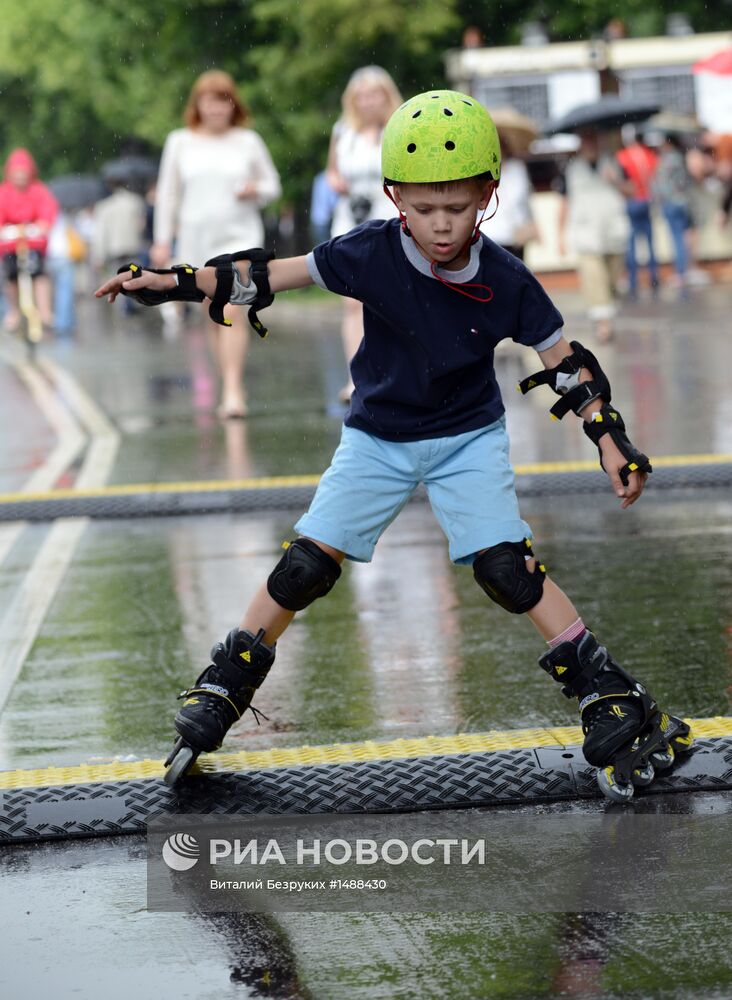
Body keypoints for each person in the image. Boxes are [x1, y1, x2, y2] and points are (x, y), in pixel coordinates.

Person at [97, 90, 691, 801]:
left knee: (507, 569)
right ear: (394, 197)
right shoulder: (371, 252)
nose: (441, 225)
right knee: (306, 566)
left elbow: (566, 364)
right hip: (377, 436)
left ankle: (609, 692)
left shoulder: (506, 278)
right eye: (423, 208)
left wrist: (609, 438)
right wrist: (172, 282)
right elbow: (264, 276)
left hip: (467, 437)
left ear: (488, 195)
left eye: (458, 208)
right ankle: (227, 681)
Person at [152, 69, 281, 417]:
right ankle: (227, 380)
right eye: (209, 101)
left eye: (223, 101)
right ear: (197, 105)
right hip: (197, 240)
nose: (216, 108)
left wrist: (256, 190)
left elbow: (272, 185)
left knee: (234, 308)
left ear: (233, 105)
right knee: (213, 313)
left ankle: (234, 389)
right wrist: (162, 240)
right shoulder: (180, 142)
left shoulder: (247, 141)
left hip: (240, 238)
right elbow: (168, 195)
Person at [326, 66, 403, 401]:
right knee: (352, 303)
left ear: (386, 96)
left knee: (391, 301)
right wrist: (337, 183)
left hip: (389, 219)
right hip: (350, 222)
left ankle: (394, 373)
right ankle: (356, 377)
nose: (368, 102)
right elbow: (331, 171)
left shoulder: (400, 129)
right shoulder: (343, 131)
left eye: (374, 95)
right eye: (361, 96)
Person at [558, 130, 629, 343]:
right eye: (586, 140)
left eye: (594, 140)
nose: (591, 144)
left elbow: (633, 191)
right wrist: (560, 235)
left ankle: (606, 312)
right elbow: (564, 202)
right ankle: (603, 324)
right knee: (593, 278)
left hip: (613, 231)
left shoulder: (614, 163)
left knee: (611, 282)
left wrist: (616, 181)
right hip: (586, 233)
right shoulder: (571, 169)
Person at [0, 148, 58, 332]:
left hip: (32, 243)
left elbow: (48, 211)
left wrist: (42, 226)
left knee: (40, 274)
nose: (20, 178)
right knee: (10, 277)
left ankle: (45, 311)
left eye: (23, 174)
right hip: (10, 245)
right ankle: (14, 311)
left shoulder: (38, 190)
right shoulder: (4, 192)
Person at [479, 130, 536, 260]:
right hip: (487, 235)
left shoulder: (517, 168)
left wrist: (529, 224)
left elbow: (524, 201)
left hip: (515, 237)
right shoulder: (479, 171)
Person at [616, 132, 660, 299]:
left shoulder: (622, 156)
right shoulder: (648, 154)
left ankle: (633, 280)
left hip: (632, 200)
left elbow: (620, 179)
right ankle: (653, 277)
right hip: (646, 199)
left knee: (632, 244)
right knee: (650, 242)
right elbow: (654, 175)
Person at [653, 133, 693, 293]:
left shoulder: (667, 160)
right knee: (681, 238)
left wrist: (660, 199)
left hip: (671, 203)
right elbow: (684, 182)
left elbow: (662, 185)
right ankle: (683, 271)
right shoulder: (680, 158)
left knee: (676, 239)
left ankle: (680, 273)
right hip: (682, 202)